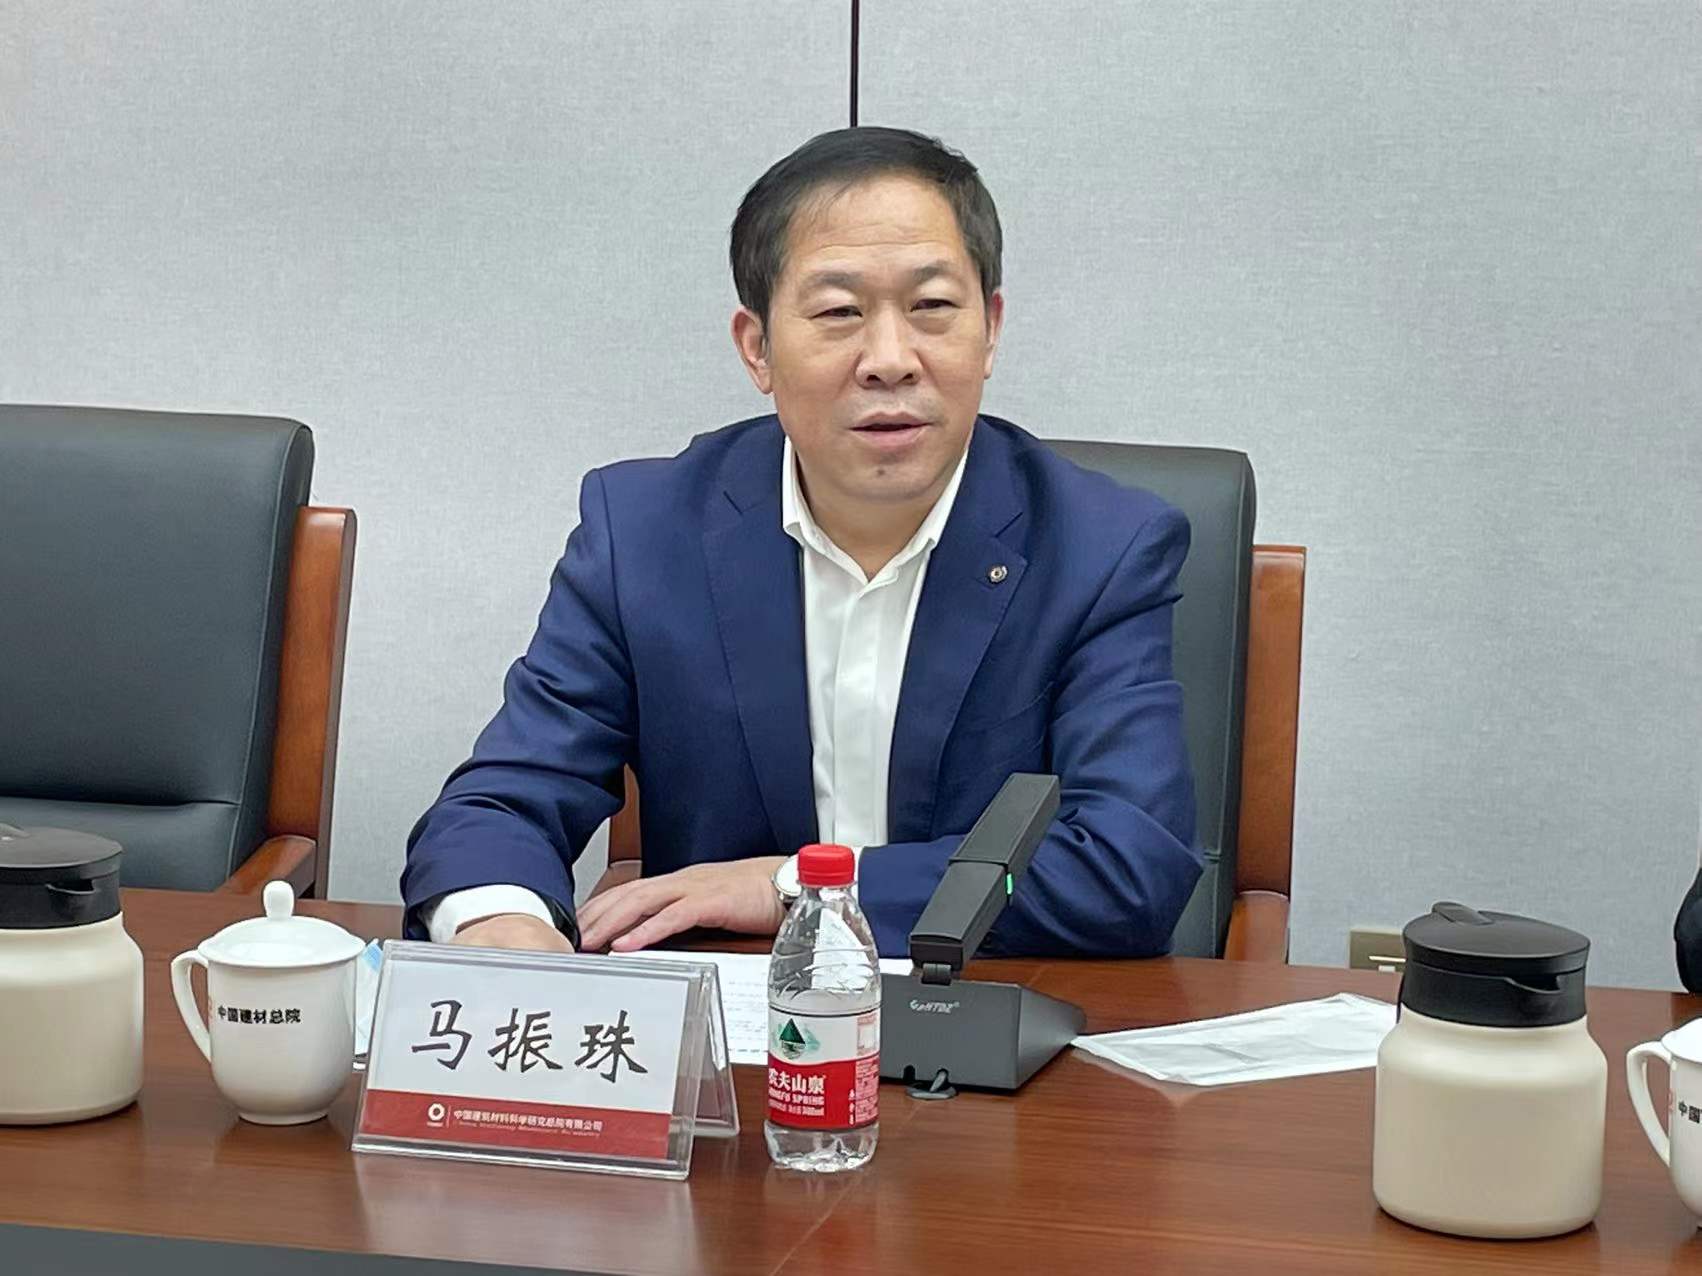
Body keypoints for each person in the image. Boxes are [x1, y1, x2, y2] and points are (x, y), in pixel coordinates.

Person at [400, 126, 1199, 960]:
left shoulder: (1101, 549)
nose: (889, 360)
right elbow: (500, 805)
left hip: (988, 1017)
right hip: (731, 1026)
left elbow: (1127, 865)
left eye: (931, 307)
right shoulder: (645, 531)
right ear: (758, 349)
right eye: (838, 313)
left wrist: (790, 886)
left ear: (990, 329)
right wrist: (503, 924)